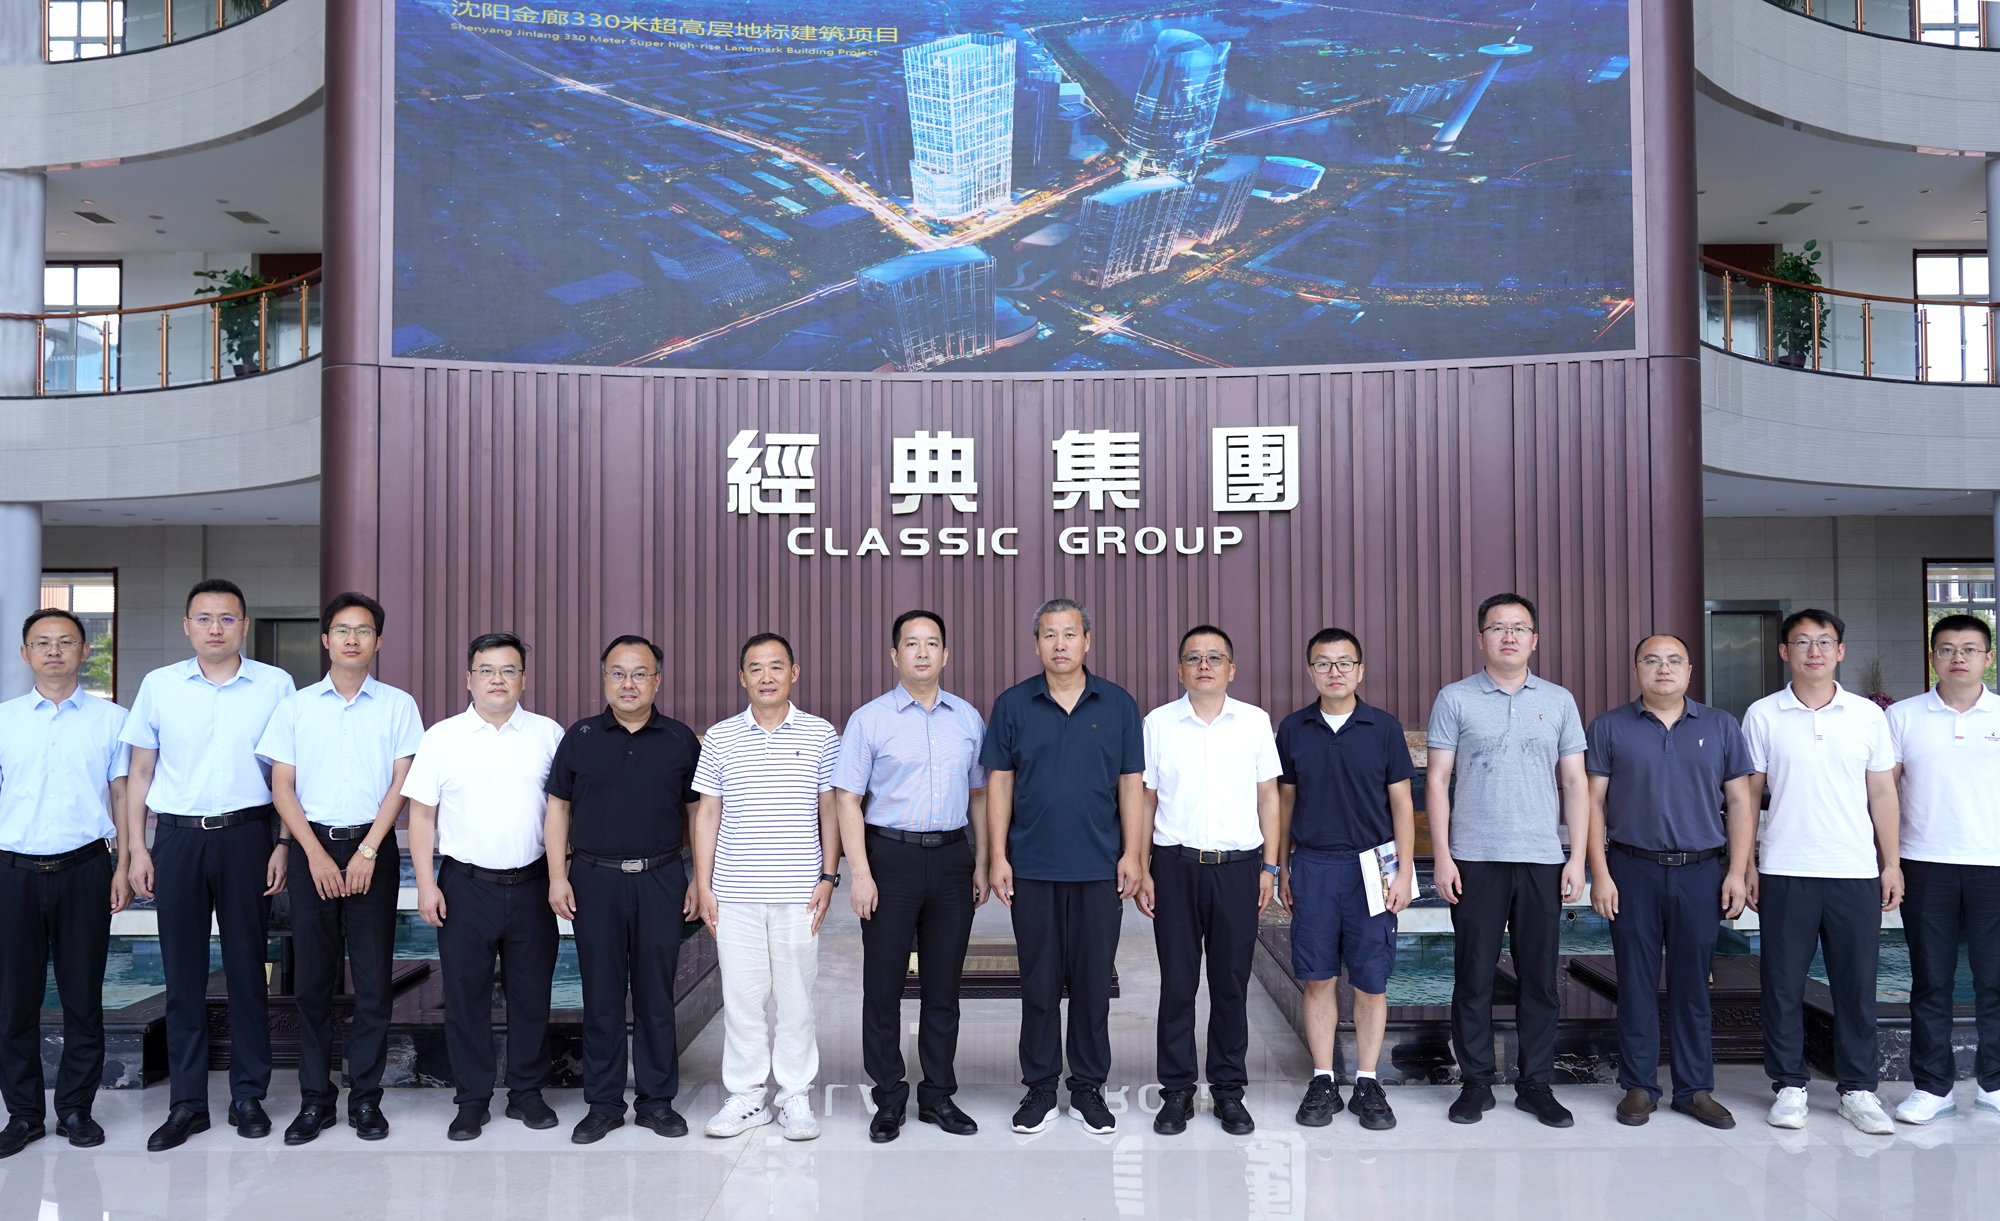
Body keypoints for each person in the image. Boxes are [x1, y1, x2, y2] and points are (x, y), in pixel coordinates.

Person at [122, 578, 296, 1151]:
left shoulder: (276, 685)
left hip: (249, 837)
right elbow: (140, 772)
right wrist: (138, 848)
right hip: (177, 839)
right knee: (182, 976)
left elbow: (289, 774)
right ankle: (187, 1104)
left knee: (248, 971)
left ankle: (248, 1096)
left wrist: (282, 844)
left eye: (226, 618)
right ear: (186, 626)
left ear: (244, 625)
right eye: (204, 618)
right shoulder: (159, 685)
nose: (215, 628)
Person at [255, 592, 422, 1145]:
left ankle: (366, 1099)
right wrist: (315, 853)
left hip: (374, 847)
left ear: (378, 641)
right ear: (326, 639)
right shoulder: (296, 707)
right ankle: (315, 1100)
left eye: (364, 630)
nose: (353, 639)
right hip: (314, 850)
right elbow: (282, 787)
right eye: (343, 630)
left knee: (373, 982)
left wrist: (369, 850)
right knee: (313, 983)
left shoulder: (398, 705)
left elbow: (402, 783)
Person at [982, 599, 1145, 1136]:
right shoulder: (1013, 704)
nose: (1059, 643)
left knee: (1094, 985)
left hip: (1099, 868)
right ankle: (1039, 1088)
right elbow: (999, 782)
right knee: (1039, 983)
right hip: (1031, 868)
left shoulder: (1118, 704)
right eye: (1049, 634)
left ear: (1086, 641)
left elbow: (1131, 783)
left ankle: (1088, 1088)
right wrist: (998, 855)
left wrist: (1133, 854)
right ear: (1036, 644)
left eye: (1069, 633)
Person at [1426, 592, 1588, 1128]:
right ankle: (1475, 1082)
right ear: (1481, 639)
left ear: (1534, 639)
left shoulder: (1559, 701)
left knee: (1539, 979)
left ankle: (1535, 1083)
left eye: (1519, 627)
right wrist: (1443, 857)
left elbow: (1575, 783)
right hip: (1475, 858)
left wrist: (1576, 858)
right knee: (1473, 976)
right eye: (1498, 627)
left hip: (1541, 858)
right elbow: (1437, 781)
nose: (1509, 636)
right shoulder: (1455, 698)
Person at [1584, 633, 1758, 1130]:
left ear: (1689, 671)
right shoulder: (1609, 727)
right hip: (1631, 868)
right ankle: (1639, 1086)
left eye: (1674, 660)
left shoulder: (1720, 726)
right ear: (1636, 670)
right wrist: (1600, 873)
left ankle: (1693, 1089)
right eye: (1652, 660)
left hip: (1701, 871)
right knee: (1635, 982)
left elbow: (1740, 801)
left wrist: (1737, 871)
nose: (1664, 668)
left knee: (1693, 985)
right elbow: (1592, 803)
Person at [1743, 608, 1901, 1135]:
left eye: (1825, 641)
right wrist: (1746, 864)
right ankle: (1789, 1085)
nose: (1814, 651)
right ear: (1784, 651)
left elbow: (1883, 793)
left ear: (1840, 651)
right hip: (1785, 867)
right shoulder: (1763, 715)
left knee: (1855, 986)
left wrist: (1891, 863)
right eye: (1802, 641)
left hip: (1853, 869)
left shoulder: (1867, 716)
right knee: (1782, 985)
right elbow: (1747, 796)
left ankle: (1858, 1089)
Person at [403, 632, 565, 1142]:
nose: (498, 679)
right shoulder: (442, 737)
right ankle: (472, 1099)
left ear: (524, 679)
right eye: (487, 670)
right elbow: (421, 816)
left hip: (532, 882)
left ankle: (526, 1092)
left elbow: (564, 811)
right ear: (468, 678)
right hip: (464, 885)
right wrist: (425, 884)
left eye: (508, 670)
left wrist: (561, 875)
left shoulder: (548, 734)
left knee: (531, 994)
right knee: (465, 995)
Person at [834, 610, 987, 1143]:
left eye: (932, 643)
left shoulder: (967, 718)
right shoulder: (869, 720)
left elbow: (979, 795)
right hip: (890, 860)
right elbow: (847, 800)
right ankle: (888, 1097)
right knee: (883, 987)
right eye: (911, 643)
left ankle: (938, 1095)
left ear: (946, 654)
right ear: (894, 655)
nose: (922, 652)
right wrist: (860, 873)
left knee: (944, 987)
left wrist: (981, 860)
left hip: (952, 859)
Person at [545, 635, 702, 1144]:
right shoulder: (581, 736)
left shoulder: (680, 740)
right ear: (604, 679)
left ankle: (657, 1102)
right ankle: (604, 1104)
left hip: (661, 878)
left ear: (657, 680)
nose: (628, 683)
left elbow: (698, 814)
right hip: (594, 880)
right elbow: (558, 809)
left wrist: (699, 878)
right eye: (618, 673)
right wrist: (557, 876)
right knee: (602, 997)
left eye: (639, 673)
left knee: (657, 996)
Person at [692, 633, 841, 1142]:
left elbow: (829, 809)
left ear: (793, 673)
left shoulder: (820, 734)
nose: (767, 677)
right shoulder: (720, 737)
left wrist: (829, 877)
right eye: (755, 668)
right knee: (742, 1000)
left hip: (800, 892)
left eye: (777, 666)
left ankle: (795, 1094)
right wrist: (704, 885)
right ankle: (747, 1097)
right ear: (742, 677)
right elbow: (707, 813)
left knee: (796, 1000)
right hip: (735, 892)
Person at [1139, 626, 1282, 1136]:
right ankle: (1176, 1092)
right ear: (1179, 670)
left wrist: (1269, 867)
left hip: (1238, 869)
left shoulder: (1254, 722)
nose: (1205, 665)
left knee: (1230, 986)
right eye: (1194, 658)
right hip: (1173, 868)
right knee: (1178, 986)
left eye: (1215, 657)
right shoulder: (1158, 724)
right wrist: (1141, 866)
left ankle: (1228, 1092)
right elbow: (1146, 800)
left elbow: (1269, 797)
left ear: (1231, 669)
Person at [0, 609, 131, 1158]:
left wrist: (123, 866)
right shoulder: (4, 720)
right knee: (14, 1002)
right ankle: (24, 1115)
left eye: (65, 642)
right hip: (13, 871)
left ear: (84, 651)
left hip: (86, 868)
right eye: (42, 642)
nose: (54, 650)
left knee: (83, 998)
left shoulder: (113, 721)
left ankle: (76, 1109)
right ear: (25, 653)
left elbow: (123, 796)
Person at [1276, 628, 1415, 1132]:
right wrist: (1282, 866)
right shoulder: (1293, 729)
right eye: (1323, 663)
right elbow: (1284, 803)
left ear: (1360, 670)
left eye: (1344, 663)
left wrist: (1403, 871)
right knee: (1317, 978)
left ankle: (1368, 1081)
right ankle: (1323, 1079)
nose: (1334, 672)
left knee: (1371, 981)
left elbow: (1402, 804)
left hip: (1372, 866)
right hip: (1314, 865)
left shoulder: (1384, 728)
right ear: (1310, 671)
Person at [1888, 614, 2000, 1123]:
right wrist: (1887, 860)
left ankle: (1994, 1084)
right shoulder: (1903, 717)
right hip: (1924, 863)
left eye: (1970, 649)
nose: (1959, 657)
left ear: (1988, 658)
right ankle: (1933, 1088)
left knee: (1994, 980)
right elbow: (1882, 791)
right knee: (1931, 981)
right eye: (1948, 648)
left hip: (1993, 866)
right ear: (1932, 657)